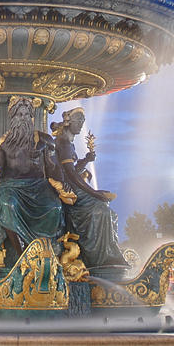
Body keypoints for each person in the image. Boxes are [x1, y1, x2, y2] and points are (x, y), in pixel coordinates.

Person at [0, 97, 64, 263]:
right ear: (13, 117)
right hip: (12, 186)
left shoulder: (44, 140)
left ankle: (45, 250)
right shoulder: (3, 142)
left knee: (54, 206)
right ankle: (23, 256)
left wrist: (49, 157)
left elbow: (55, 168)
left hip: (38, 187)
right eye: (20, 114)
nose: (24, 118)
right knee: (7, 204)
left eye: (27, 114)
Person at [51, 108, 126, 268]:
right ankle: (99, 258)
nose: (81, 125)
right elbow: (71, 175)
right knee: (101, 209)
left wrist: (85, 160)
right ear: (68, 122)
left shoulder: (68, 143)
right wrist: (94, 193)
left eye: (82, 122)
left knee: (108, 211)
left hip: (72, 184)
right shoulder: (63, 143)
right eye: (78, 121)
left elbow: (72, 171)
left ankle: (109, 253)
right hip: (69, 189)